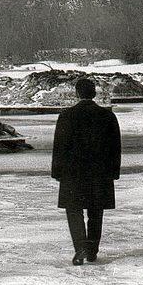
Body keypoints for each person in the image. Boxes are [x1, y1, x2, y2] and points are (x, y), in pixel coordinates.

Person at [51, 77, 122, 265]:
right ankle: (92, 250)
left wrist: (57, 172)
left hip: (72, 174)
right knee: (96, 212)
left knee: (73, 211)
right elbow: (115, 148)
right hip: (100, 174)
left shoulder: (66, 116)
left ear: (77, 93)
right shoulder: (108, 116)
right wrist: (114, 172)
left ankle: (80, 247)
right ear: (94, 93)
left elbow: (59, 148)